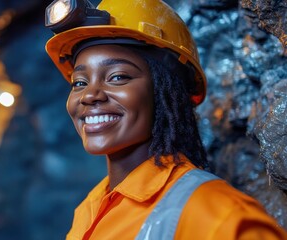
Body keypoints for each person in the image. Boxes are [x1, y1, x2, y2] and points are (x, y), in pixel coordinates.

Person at [44, 0, 287, 239]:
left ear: (167, 91)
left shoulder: (218, 215)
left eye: (118, 77)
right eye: (80, 82)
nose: (89, 95)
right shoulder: (92, 208)